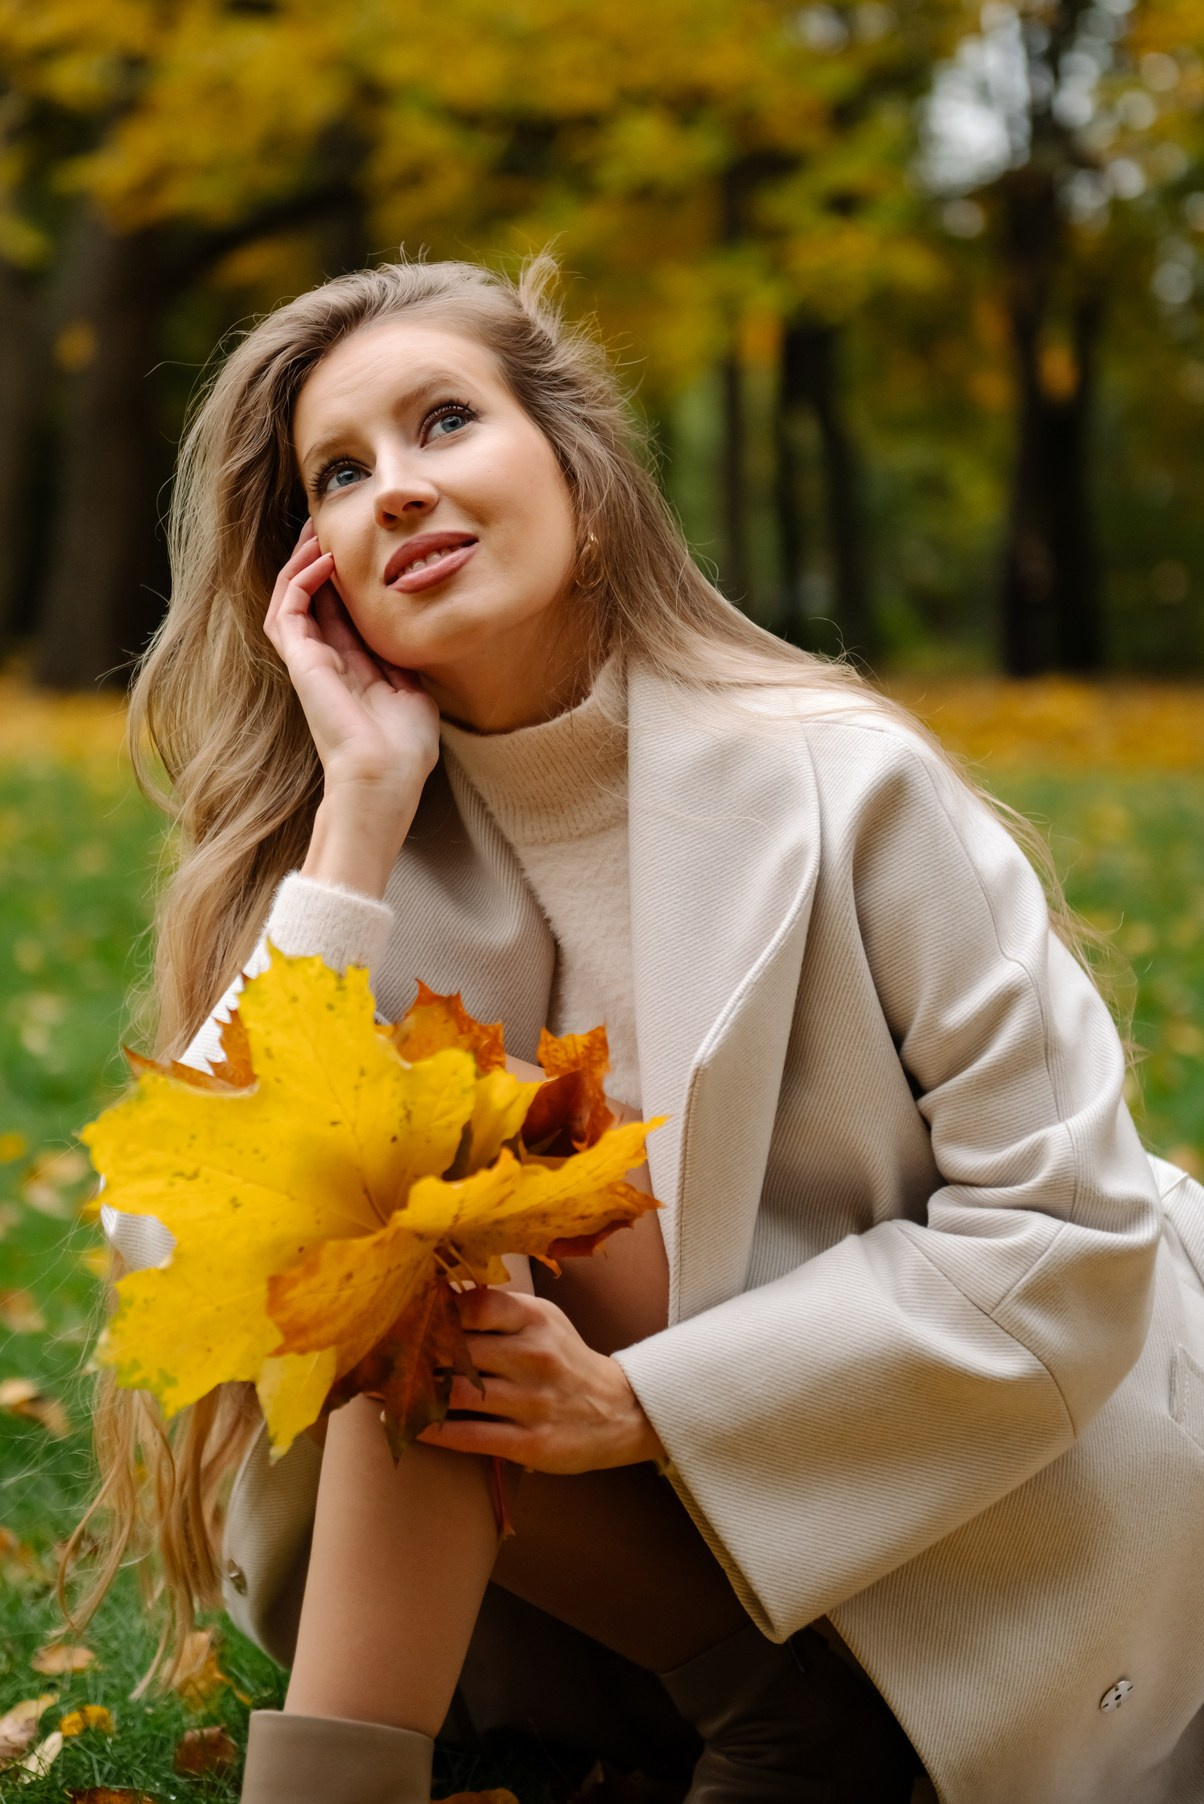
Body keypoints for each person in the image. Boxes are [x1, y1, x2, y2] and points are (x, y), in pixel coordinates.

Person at [82, 255, 1204, 1804]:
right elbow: (179, 1257)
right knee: (416, 1263)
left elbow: (1070, 1234)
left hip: (987, 1530)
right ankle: (738, 1722)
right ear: (312, 574)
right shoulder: (358, 853)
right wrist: (353, 819)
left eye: (445, 423)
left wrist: (639, 1406)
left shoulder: (845, 779)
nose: (396, 489)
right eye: (341, 473)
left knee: (454, 1252)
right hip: (641, 1596)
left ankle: (825, 1724)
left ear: (584, 477)